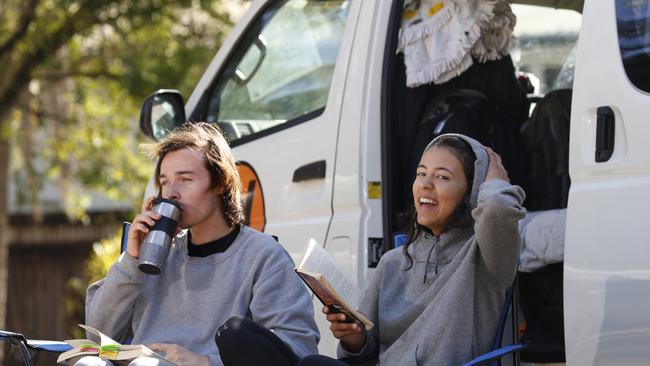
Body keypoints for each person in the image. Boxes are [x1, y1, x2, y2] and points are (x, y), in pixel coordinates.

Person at [74, 122, 319, 366]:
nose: (170, 193)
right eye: (165, 181)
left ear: (220, 182)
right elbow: (98, 337)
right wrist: (132, 259)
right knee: (87, 363)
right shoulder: (155, 252)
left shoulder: (263, 256)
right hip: (140, 362)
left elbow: (296, 348)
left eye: (185, 179)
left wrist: (207, 362)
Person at [299, 134, 526, 365]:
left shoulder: (485, 256)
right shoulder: (391, 263)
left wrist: (496, 181)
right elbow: (365, 354)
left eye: (442, 176)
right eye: (421, 173)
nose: (426, 184)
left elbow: (497, 209)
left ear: (471, 193)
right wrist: (354, 340)